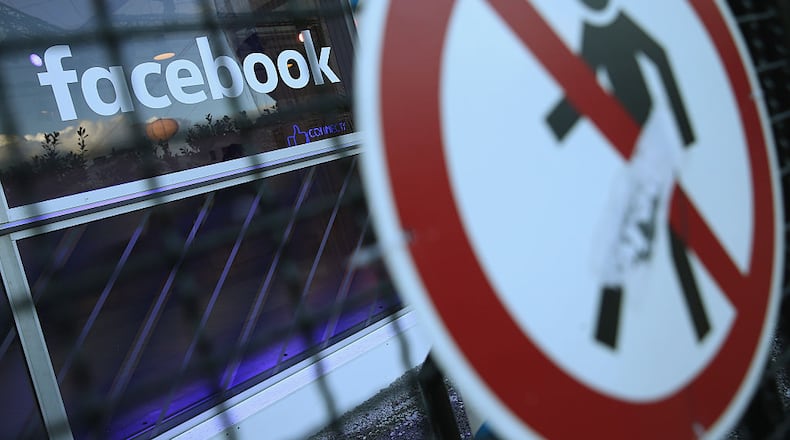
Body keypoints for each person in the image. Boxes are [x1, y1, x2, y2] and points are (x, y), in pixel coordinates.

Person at [546, 0, 710, 349]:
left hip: (653, 139)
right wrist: (552, 132)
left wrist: (685, 133)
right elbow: (583, 88)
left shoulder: (618, 26)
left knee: (636, 232)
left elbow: (660, 57)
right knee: (638, 231)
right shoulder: (593, 33)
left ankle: (622, 331)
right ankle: (682, 321)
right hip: (635, 145)